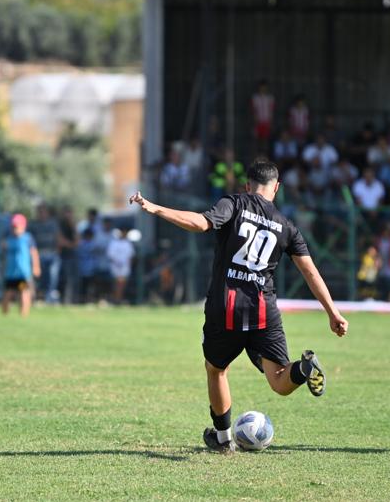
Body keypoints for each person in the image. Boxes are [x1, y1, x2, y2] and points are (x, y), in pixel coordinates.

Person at [129, 159, 349, 453]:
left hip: (227, 307)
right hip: (263, 311)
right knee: (281, 381)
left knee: (217, 369)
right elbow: (310, 272)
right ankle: (306, 367)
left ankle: (222, 441)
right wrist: (332, 313)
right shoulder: (286, 226)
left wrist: (156, 208)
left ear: (248, 186)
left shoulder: (233, 203)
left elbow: (200, 223)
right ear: (277, 188)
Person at [1, 213, 40, 317]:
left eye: (16, 226)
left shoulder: (27, 238)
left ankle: (23, 315)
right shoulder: (8, 238)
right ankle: (5, 316)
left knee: (24, 294)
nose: (14, 228)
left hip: (22, 273)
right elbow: (3, 253)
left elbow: (34, 253)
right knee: (7, 294)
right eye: (13, 226)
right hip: (10, 273)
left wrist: (36, 266)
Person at [106, 228, 135, 304]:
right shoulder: (114, 243)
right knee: (116, 284)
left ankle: (119, 299)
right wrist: (117, 263)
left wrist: (128, 266)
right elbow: (110, 255)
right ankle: (115, 299)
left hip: (124, 267)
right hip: (116, 267)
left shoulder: (128, 243)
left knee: (122, 284)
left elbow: (130, 256)